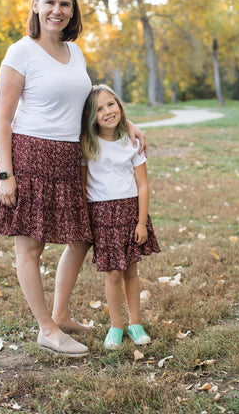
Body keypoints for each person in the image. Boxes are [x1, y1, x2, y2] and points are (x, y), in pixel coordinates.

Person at [0, 0, 146, 357]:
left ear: (72, 12)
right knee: (31, 246)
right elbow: (2, 118)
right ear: (36, 6)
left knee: (83, 236)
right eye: (50, 2)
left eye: (65, 4)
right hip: (30, 157)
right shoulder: (20, 52)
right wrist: (7, 173)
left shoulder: (76, 53)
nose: (57, 10)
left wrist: (126, 122)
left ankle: (61, 313)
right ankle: (47, 329)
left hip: (70, 158)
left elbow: (88, 102)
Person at [80, 84, 160, 350]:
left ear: (120, 106)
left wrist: (141, 221)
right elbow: (82, 186)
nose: (107, 111)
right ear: (91, 116)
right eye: (99, 109)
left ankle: (135, 323)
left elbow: (143, 185)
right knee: (113, 272)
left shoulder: (131, 142)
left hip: (129, 212)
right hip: (102, 215)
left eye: (111, 104)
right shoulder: (87, 144)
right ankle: (116, 326)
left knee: (131, 270)